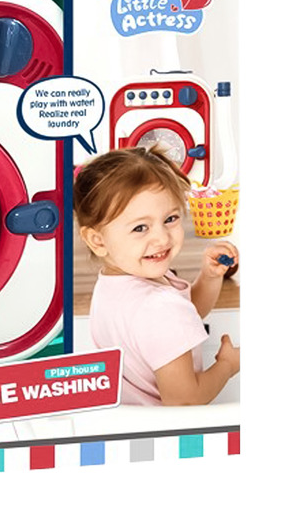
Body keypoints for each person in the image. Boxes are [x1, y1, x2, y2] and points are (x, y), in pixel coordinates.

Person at [73, 146, 240, 406]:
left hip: (128, 420)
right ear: (98, 240)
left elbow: (187, 314)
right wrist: (227, 365)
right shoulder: (161, 308)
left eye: (170, 218)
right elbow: (184, 401)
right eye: (140, 227)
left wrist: (209, 277)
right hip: (169, 428)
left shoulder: (112, 285)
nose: (162, 238)